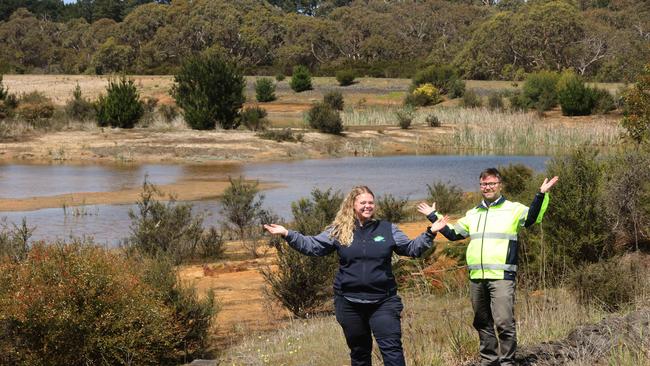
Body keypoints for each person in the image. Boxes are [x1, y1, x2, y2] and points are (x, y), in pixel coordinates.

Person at [264, 185, 449, 366]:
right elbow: (313, 246)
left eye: (371, 202)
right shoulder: (338, 230)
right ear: (352, 204)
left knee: (392, 351)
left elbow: (411, 249)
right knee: (359, 354)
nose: (368, 206)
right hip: (349, 304)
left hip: (383, 301)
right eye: (363, 202)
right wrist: (287, 233)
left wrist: (430, 233)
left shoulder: (387, 229)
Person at [417, 168, 558, 366]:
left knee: (504, 322)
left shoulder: (513, 209)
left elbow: (533, 218)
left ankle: (508, 362)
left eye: (491, 183)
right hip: (476, 276)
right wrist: (433, 215)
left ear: (500, 185)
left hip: (501, 275)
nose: (487, 187)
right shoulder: (473, 213)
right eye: (484, 184)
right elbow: (453, 234)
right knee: (482, 322)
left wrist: (541, 194)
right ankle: (489, 360)